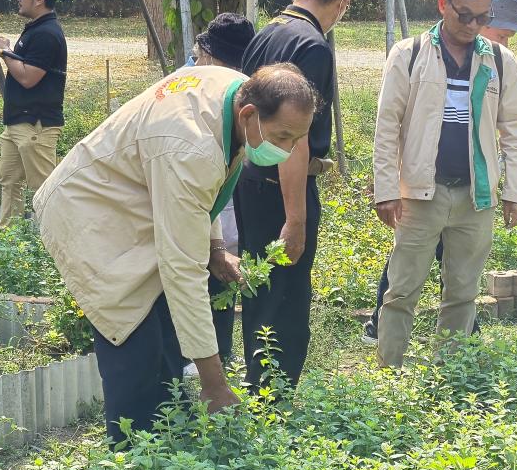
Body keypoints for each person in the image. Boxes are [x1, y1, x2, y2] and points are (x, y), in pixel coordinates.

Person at [35, 64, 318, 446]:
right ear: (249, 114)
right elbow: (182, 268)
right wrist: (214, 382)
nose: (285, 151)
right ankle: (133, 464)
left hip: (141, 200)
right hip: (93, 213)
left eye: (296, 140)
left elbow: (205, 191)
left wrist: (215, 247)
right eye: (282, 136)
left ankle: (169, 444)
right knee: (134, 342)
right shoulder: (190, 146)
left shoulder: (234, 92)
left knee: (167, 335)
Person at [373, 0, 517, 369]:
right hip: (420, 196)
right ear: (443, 4)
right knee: (401, 290)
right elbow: (387, 126)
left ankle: (450, 375)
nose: (474, 25)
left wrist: (515, 192)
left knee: (462, 291)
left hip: (476, 198)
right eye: (465, 15)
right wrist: (387, 190)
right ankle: (389, 372)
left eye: (483, 17)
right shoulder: (409, 55)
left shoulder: (498, 60)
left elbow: (515, 130)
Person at [235, 0, 357, 390]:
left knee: (258, 288)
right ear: (343, 1)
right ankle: (272, 397)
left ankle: (255, 382)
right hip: (282, 187)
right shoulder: (312, 46)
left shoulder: (266, 33)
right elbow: (295, 139)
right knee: (284, 296)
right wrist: (297, 218)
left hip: (248, 180)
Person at [189, 13, 255, 364]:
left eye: (199, 53)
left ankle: (209, 358)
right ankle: (219, 354)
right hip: (225, 204)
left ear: (211, 55)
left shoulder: (213, 93)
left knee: (212, 270)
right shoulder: (248, 92)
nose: (196, 61)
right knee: (223, 267)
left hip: (215, 203)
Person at [0, 0, 68, 227]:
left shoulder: (47, 34)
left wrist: (5, 51)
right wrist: (7, 49)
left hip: (36, 125)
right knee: (9, 181)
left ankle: (56, 244)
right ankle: (7, 243)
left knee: (44, 188)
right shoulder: (35, 29)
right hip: (18, 123)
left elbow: (27, 77)